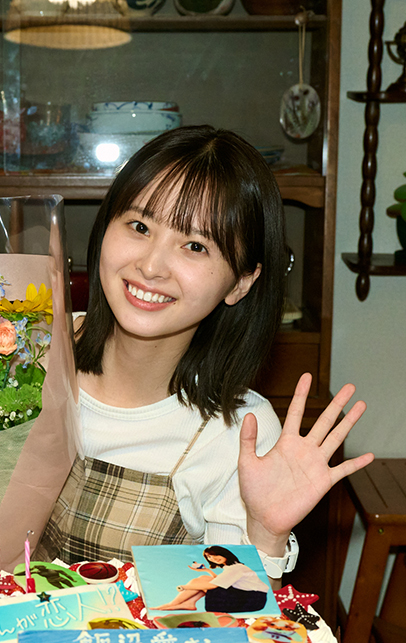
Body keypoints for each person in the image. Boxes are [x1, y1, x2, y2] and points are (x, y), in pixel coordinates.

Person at [36, 125, 373, 584]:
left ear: (241, 282)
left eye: (195, 246)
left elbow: (237, 615)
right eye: (140, 227)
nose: (151, 266)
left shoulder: (238, 433)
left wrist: (266, 535)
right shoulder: (21, 351)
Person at [149, 545, 270, 614]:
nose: (213, 558)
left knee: (204, 582)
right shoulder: (232, 567)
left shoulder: (236, 568)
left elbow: (213, 585)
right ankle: (189, 603)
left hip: (251, 600)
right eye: (209, 557)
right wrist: (207, 571)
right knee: (204, 578)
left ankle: (173, 604)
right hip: (247, 597)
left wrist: (184, 587)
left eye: (215, 555)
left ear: (224, 553)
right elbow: (218, 581)